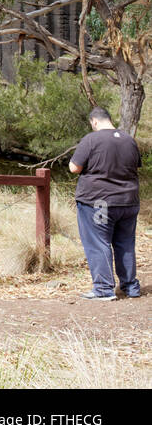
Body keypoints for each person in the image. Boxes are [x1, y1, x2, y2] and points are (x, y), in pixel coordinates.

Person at [69, 107, 142, 301]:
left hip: (99, 202)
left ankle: (103, 289)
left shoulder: (91, 140)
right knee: (125, 242)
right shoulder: (129, 140)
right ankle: (130, 287)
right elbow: (134, 167)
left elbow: (74, 168)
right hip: (128, 202)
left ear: (94, 121)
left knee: (98, 242)